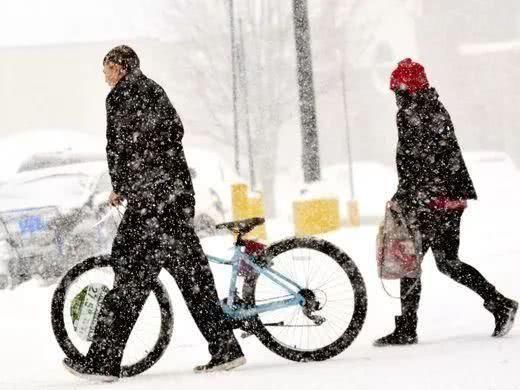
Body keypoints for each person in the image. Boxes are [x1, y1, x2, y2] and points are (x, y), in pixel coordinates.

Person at [63, 45, 245, 381]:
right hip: (173, 200)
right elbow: (173, 133)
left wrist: (127, 183)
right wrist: (140, 178)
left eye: (106, 68)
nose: (104, 75)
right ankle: (225, 347)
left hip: (152, 205)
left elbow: (119, 145)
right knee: (194, 280)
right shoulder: (153, 89)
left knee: (130, 277)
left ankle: (103, 361)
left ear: (119, 67)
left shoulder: (121, 96)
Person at [374, 58, 518, 347]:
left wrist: (405, 198)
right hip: (448, 199)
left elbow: (417, 163)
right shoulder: (434, 108)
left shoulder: (412, 113)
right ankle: (498, 302)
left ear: (407, 90)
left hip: (431, 202)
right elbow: (435, 159)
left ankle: (407, 329)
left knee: (410, 263)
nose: (396, 97)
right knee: (447, 262)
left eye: (398, 92)